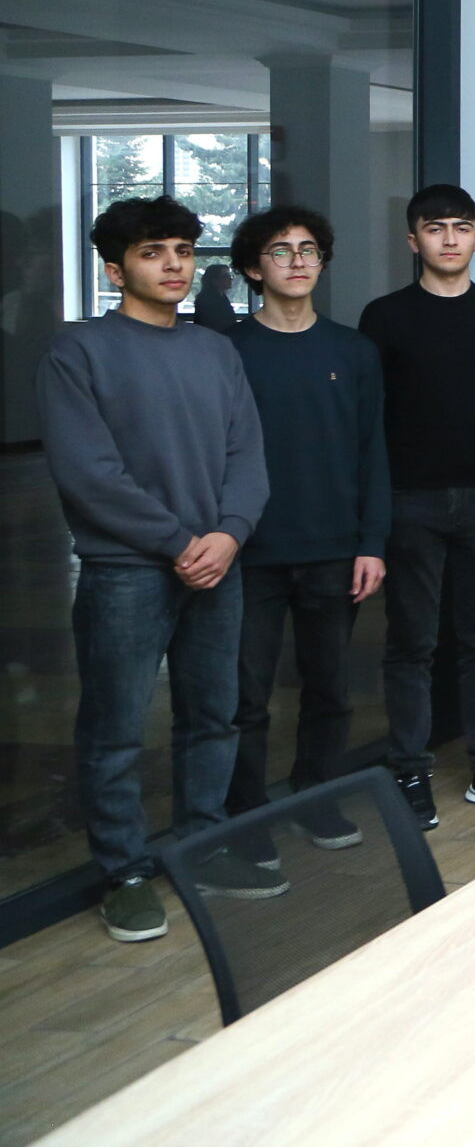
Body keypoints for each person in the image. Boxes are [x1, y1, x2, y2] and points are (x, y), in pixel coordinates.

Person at [40, 196, 270, 940]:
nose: (174, 264)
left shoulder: (216, 350)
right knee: (115, 729)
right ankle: (125, 872)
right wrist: (179, 542)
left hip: (219, 562)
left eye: (182, 250)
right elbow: (90, 474)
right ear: (115, 270)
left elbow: (247, 457)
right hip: (126, 571)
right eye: (152, 252)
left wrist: (229, 535)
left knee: (214, 716)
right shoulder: (78, 352)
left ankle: (203, 844)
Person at [360, 184, 475, 828]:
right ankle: (409, 771)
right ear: (413, 240)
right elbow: (368, 420)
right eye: (435, 228)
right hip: (409, 501)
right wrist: (376, 508)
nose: (449, 238)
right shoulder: (385, 317)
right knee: (411, 643)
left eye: (461, 227)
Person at [225, 205, 388, 858]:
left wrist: (372, 543)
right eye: (280, 250)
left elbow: (372, 451)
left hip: (334, 549)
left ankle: (316, 796)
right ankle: (245, 816)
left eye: (309, 249)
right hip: (249, 551)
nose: (297, 261)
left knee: (329, 689)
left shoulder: (353, 350)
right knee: (246, 696)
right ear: (252, 268)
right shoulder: (229, 350)